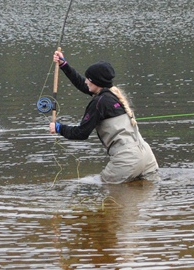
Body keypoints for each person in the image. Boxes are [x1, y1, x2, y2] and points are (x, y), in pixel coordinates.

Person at [48, 50, 159, 183]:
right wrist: (63, 65)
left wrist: (59, 128)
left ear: (95, 82)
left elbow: (81, 133)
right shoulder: (114, 95)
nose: (86, 82)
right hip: (147, 157)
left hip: (126, 160)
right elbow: (83, 84)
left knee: (97, 186)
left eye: (88, 79)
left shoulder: (98, 103)